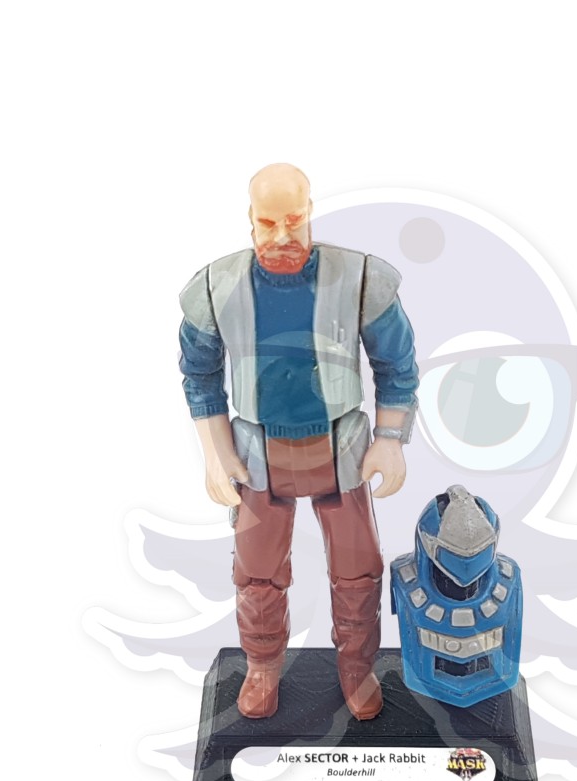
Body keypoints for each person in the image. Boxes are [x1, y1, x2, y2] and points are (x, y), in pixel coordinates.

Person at [178, 163, 418, 721]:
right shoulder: (217, 286)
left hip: (341, 451)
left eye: (293, 219)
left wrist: (390, 438)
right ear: (250, 219)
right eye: (268, 222)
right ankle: (262, 665)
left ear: (310, 212)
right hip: (258, 454)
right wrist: (216, 454)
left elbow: (396, 363)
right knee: (257, 572)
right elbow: (199, 374)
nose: (282, 235)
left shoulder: (359, 278)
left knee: (357, 570)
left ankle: (356, 666)